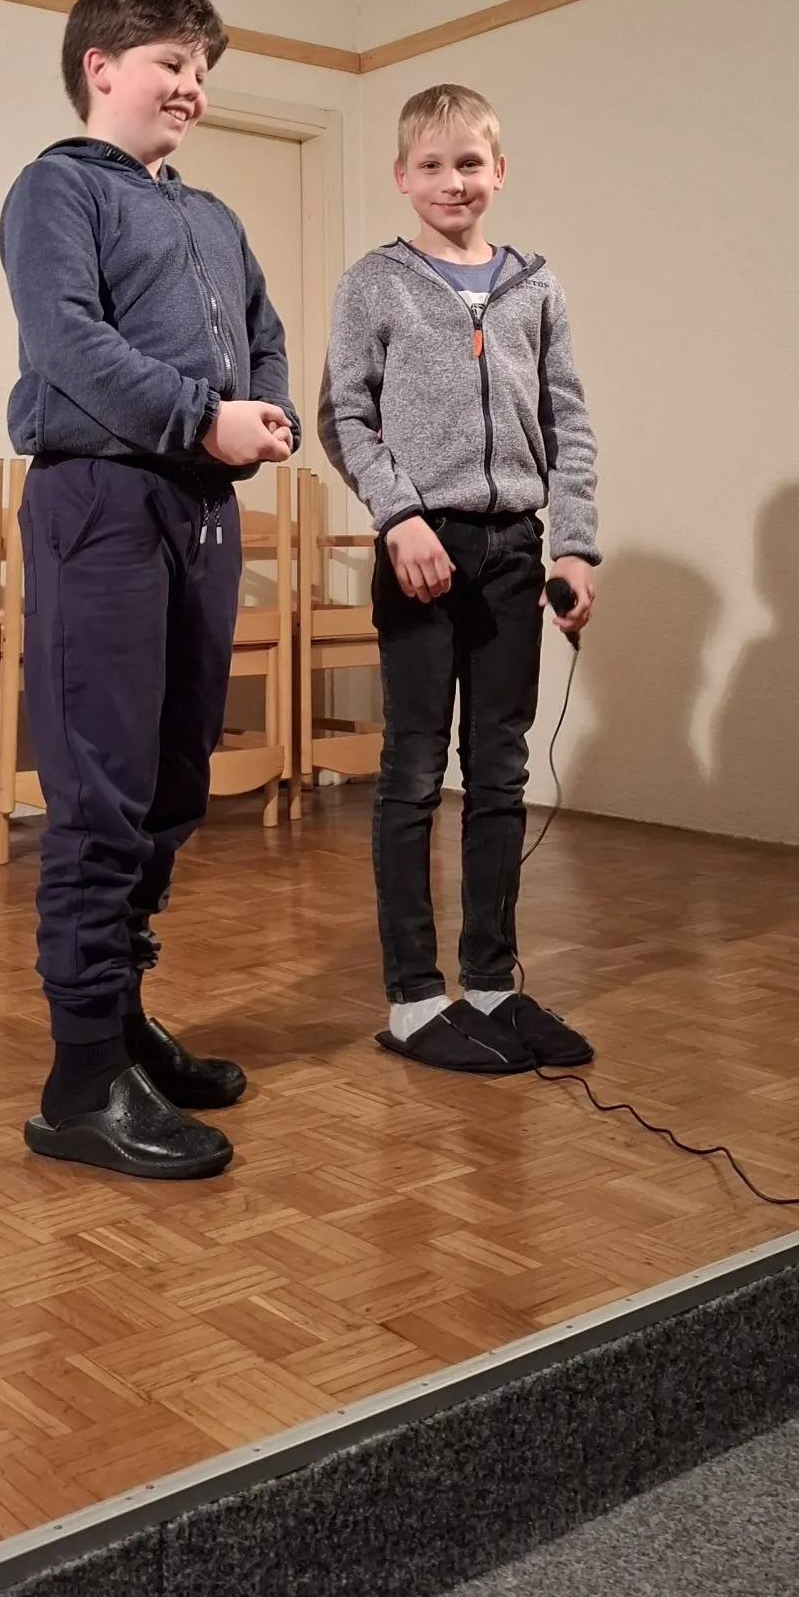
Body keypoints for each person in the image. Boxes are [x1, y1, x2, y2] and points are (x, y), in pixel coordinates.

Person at [0, 0, 297, 1177]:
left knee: (173, 779)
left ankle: (121, 1021)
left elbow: (263, 332)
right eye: (172, 61)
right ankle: (79, 1082)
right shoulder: (55, 189)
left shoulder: (212, 214)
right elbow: (69, 343)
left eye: (202, 70)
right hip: (102, 501)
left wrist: (263, 411)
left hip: (199, 508)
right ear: (100, 67)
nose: (193, 87)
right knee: (102, 790)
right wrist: (199, 418)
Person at [319, 83, 599, 1074]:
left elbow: (568, 421)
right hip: (421, 550)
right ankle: (412, 999)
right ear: (402, 176)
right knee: (410, 772)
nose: (453, 181)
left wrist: (574, 545)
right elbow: (343, 414)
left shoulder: (535, 287)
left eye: (470, 163)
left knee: (500, 769)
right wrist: (398, 517)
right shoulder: (375, 285)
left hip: (515, 548)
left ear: (499, 171)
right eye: (432, 165)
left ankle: (490, 985)